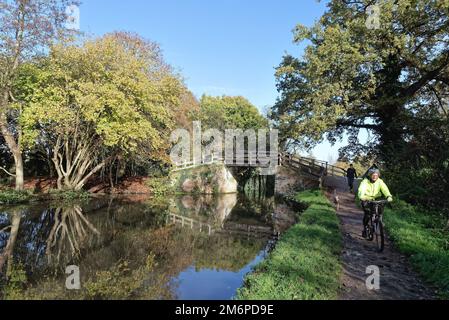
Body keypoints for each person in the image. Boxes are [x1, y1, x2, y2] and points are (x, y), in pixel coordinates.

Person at [358, 168, 393, 238]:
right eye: (373, 175)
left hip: (376, 198)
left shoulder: (380, 181)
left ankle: (379, 221)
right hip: (366, 198)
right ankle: (365, 228)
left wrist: (388, 196)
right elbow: (362, 189)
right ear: (370, 175)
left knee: (380, 210)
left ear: (378, 176)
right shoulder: (365, 181)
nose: (375, 177)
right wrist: (362, 196)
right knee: (367, 214)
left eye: (376, 175)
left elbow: (384, 188)